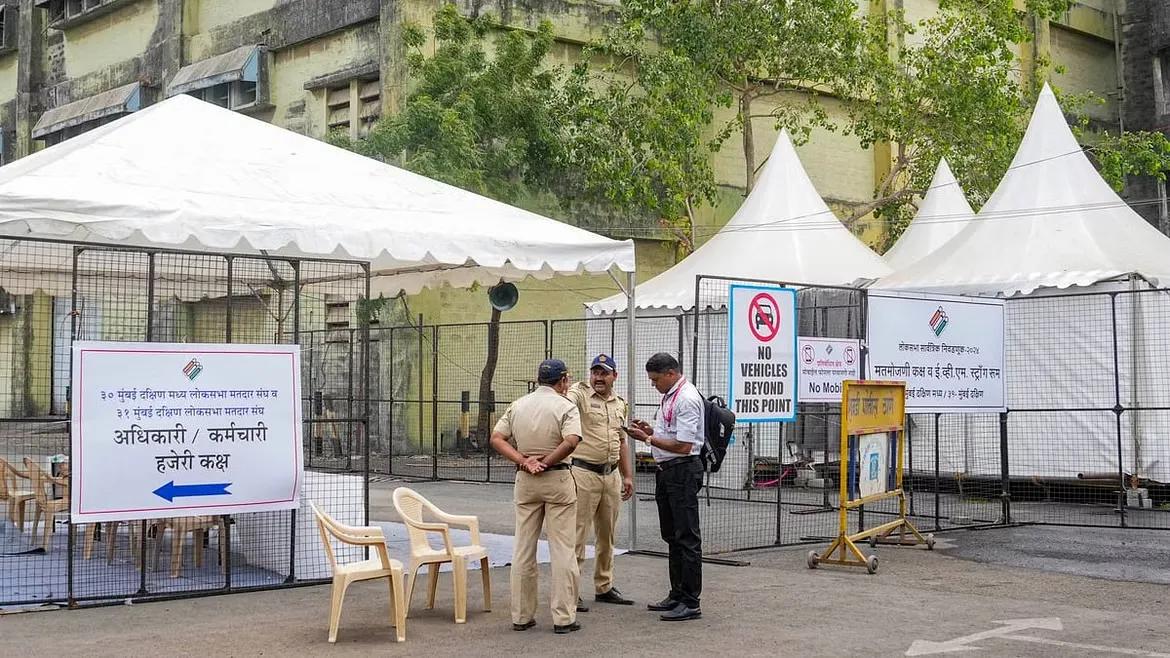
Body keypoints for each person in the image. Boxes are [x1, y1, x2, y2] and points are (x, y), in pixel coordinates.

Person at [489, 359, 583, 635]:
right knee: (563, 550)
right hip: (557, 479)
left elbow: (497, 438)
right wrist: (547, 461)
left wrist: (525, 461)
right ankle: (564, 617)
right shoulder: (566, 406)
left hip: (526, 481)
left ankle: (521, 615)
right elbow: (572, 441)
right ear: (563, 380)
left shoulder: (519, 405)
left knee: (523, 548)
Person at [626, 352, 704, 622]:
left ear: (671, 373)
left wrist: (648, 439)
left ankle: (691, 600)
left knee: (687, 537)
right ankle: (678, 593)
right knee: (672, 535)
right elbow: (672, 432)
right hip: (668, 472)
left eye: (655, 379)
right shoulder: (671, 395)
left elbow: (683, 445)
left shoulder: (686, 398)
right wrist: (652, 431)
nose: (653, 384)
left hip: (682, 471)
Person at [565, 354, 635, 612]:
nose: (598, 377)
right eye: (595, 372)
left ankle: (604, 586)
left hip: (611, 475)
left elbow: (622, 440)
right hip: (583, 474)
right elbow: (565, 402)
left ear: (614, 376)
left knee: (607, 535)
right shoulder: (581, 395)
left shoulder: (620, 404)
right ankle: (571, 591)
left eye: (604, 373)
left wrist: (627, 476)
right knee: (577, 535)